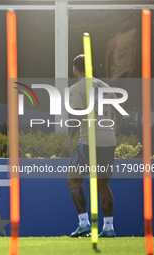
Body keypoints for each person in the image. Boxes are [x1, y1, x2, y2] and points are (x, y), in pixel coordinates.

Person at [66, 54, 123, 238]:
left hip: (89, 142)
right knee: (102, 184)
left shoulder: (76, 88)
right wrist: (114, 130)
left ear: (75, 69)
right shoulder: (105, 86)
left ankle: (84, 224)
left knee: (73, 180)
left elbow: (77, 116)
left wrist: (70, 138)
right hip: (108, 142)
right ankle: (109, 228)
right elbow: (120, 114)